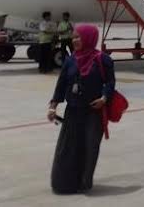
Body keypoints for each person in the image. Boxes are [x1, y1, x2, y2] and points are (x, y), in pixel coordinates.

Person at [47, 25, 115, 194]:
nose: (75, 40)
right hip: (73, 111)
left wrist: (104, 98)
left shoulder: (103, 59)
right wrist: (53, 107)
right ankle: (65, 183)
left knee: (89, 147)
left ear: (88, 38)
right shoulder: (70, 60)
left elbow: (110, 82)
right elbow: (61, 84)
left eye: (78, 37)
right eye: (73, 37)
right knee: (68, 148)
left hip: (93, 112)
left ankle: (84, 182)